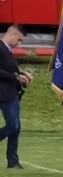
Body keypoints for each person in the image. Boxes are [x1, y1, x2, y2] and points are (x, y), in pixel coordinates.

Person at [0, 24, 28, 168]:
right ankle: (13, 161)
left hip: (11, 93)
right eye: (19, 40)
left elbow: (11, 70)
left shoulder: (7, 51)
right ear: (12, 35)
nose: (19, 43)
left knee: (16, 128)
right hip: (3, 93)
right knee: (13, 126)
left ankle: (13, 161)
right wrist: (16, 77)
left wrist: (23, 75)